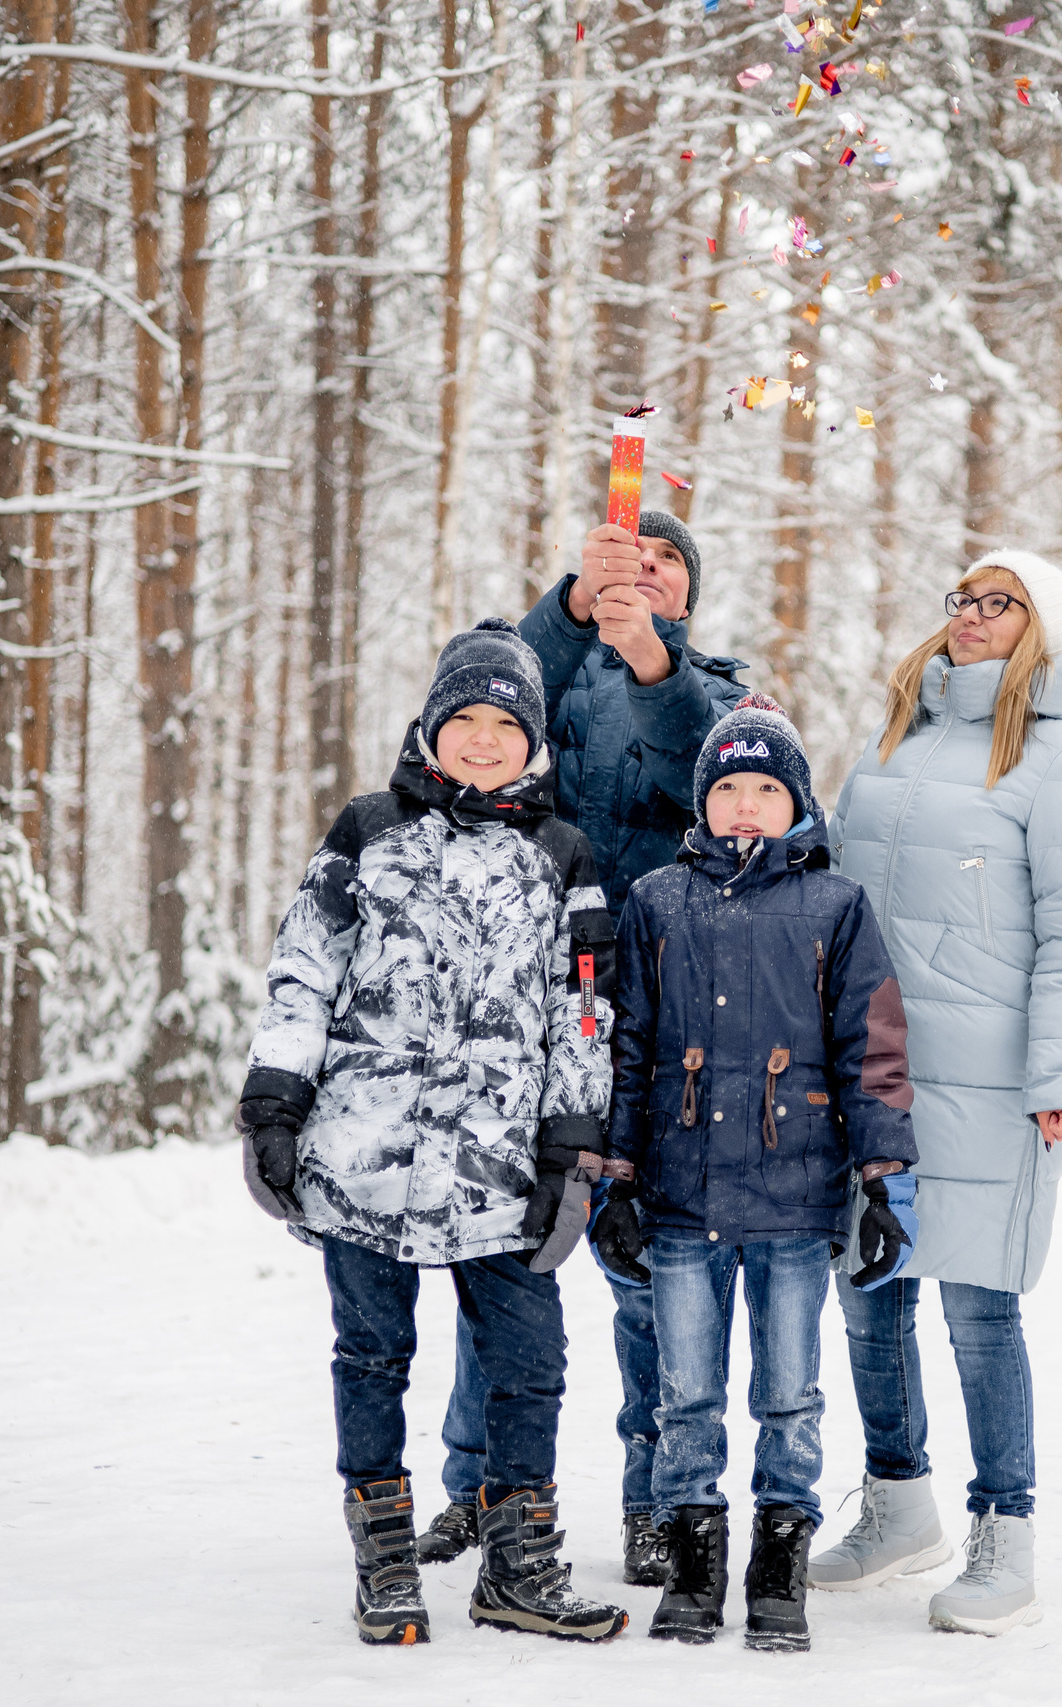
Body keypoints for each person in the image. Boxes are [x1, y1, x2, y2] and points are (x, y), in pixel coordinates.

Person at [236, 618, 629, 1647]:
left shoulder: (562, 853)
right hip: (362, 1158)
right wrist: (273, 1103)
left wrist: (568, 1151)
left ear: (533, 739)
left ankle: (519, 1568)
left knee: (529, 1361)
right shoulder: (366, 830)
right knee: (370, 1355)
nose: (486, 738)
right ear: (432, 726)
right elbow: (303, 970)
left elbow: (583, 1012)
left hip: (498, 1169)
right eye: (467, 718)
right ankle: (384, 1562)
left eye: (507, 722)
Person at [417, 513, 748, 1584]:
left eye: (665, 566)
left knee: (649, 1275)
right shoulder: (539, 676)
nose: (640, 574)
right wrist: (567, 611)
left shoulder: (731, 697)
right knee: (502, 1252)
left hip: (660, 1022)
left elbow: (709, 776)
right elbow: (490, 701)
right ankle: (476, 1484)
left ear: (686, 600)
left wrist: (653, 663)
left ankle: (653, 1499)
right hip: (525, 1012)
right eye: (623, 561)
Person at [810, 550, 1062, 1635]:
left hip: (991, 1079)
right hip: (872, 1068)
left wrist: (1058, 1076)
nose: (973, 617)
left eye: (1002, 603)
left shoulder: (1061, 761)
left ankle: (1006, 1532)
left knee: (979, 1307)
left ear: (1046, 630)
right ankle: (899, 1508)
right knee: (867, 1292)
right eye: (966, 599)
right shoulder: (893, 739)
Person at [590, 695, 920, 1651]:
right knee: (684, 1390)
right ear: (701, 803)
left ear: (796, 804)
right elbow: (628, 1046)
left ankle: (781, 1558)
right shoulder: (658, 900)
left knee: (790, 1393)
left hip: (795, 1198)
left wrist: (880, 1180)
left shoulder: (836, 905)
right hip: (682, 1200)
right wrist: (614, 1179)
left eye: (764, 788)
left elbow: (875, 1047)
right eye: (726, 786)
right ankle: (693, 1559)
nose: (744, 804)